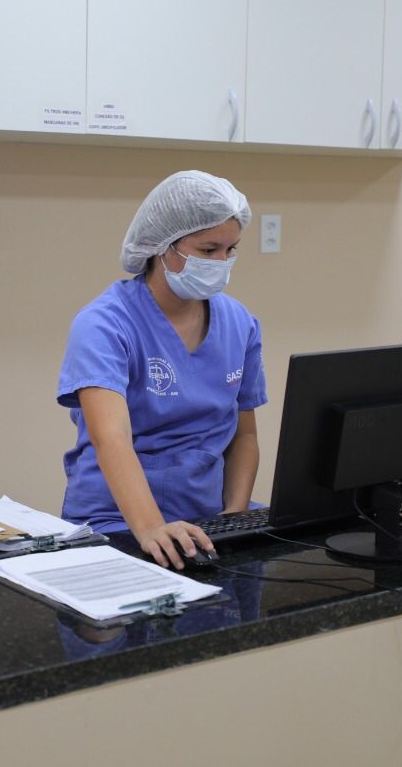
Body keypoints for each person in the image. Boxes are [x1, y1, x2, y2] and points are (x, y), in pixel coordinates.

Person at [57, 171, 268, 570]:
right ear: (161, 246)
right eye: (208, 250)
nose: (221, 263)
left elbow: (245, 434)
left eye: (230, 250)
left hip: (207, 520)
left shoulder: (240, 323)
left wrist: (234, 516)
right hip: (117, 521)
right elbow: (111, 438)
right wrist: (151, 527)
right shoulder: (104, 325)